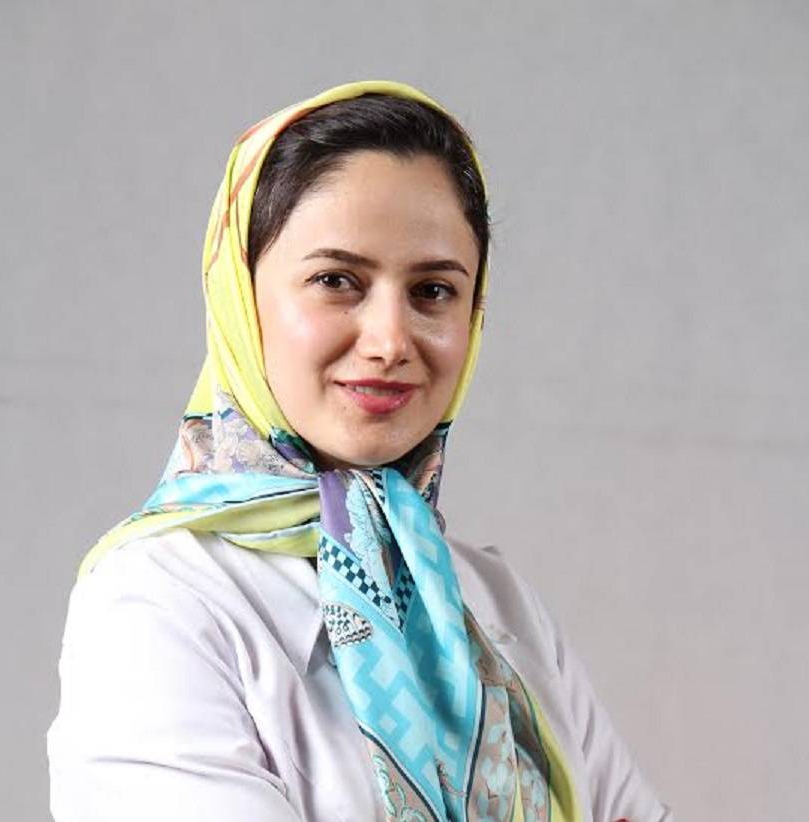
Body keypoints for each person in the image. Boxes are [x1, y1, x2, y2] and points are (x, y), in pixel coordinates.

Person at [46, 79, 673, 821]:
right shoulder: (160, 602)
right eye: (336, 281)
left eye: (432, 291)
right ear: (240, 298)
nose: (389, 341)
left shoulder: (493, 602)